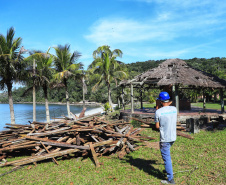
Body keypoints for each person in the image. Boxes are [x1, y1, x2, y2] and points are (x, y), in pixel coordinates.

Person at [154, 92, 177, 184]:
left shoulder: (158, 112)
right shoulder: (174, 109)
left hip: (165, 138)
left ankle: (170, 179)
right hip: (173, 137)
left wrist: (157, 109)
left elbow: (156, 126)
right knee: (167, 156)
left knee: (166, 158)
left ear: (160, 101)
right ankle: (168, 170)